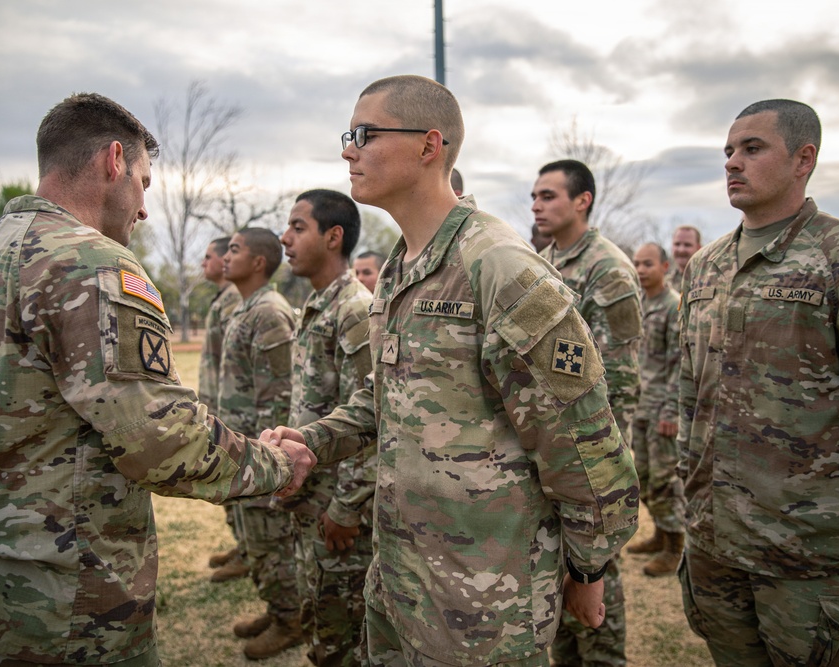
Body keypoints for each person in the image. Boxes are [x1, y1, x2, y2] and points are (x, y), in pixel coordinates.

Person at [0, 92, 315, 667]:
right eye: (144, 183)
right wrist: (277, 466)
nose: (142, 210)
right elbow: (161, 440)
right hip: (63, 606)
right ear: (114, 162)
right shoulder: (92, 263)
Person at [266, 74, 639, 666]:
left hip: (485, 598)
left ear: (428, 146)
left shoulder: (499, 266)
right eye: (347, 135)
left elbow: (582, 437)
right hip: (399, 576)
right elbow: (388, 394)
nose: (347, 150)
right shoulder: (399, 266)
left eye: (363, 134)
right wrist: (314, 441)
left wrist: (589, 564)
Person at [677, 98, 839, 666]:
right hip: (717, 547)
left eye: (752, 148)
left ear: (803, 159)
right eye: (728, 151)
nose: (732, 163)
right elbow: (689, 395)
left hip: (816, 562)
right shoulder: (705, 268)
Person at [531, 158, 643, 667]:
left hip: (592, 455)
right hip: (550, 450)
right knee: (556, 579)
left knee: (595, 575)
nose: (537, 205)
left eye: (549, 195)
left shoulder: (608, 269)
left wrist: (602, 470)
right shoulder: (542, 261)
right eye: (534, 196)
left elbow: (621, 379)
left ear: (583, 201)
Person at [279, 189, 376, 667]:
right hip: (313, 497)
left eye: (299, 227)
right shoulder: (319, 305)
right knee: (319, 615)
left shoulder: (355, 311)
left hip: (339, 510)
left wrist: (347, 505)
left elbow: (374, 416)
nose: (285, 237)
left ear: (333, 237)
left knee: (343, 637)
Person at [216, 227, 304, 660]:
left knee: (271, 545)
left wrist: (267, 464)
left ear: (258, 263)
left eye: (234, 250)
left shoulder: (269, 312)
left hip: (259, 454)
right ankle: (279, 609)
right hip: (241, 451)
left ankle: (291, 621)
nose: (224, 257)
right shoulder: (247, 307)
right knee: (256, 544)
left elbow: (279, 397)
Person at [628, 243, 685, 577]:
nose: (640, 269)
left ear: (665, 266)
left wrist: (671, 412)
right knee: (645, 481)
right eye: (636, 263)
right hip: (641, 407)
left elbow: (680, 365)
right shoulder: (639, 304)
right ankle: (661, 535)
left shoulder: (673, 306)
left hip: (662, 410)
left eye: (648, 264)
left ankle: (674, 549)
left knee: (664, 481)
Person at [199, 236, 248, 576]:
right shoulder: (224, 299)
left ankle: (249, 551)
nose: (205, 263)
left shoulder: (234, 301)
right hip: (220, 405)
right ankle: (244, 547)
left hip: (235, 408)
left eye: (207, 256)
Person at [668, 225, 702, 291]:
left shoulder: (709, 280)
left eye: (687, 245)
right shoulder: (665, 284)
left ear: (699, 248)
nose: (681, 250)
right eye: (677, 244)